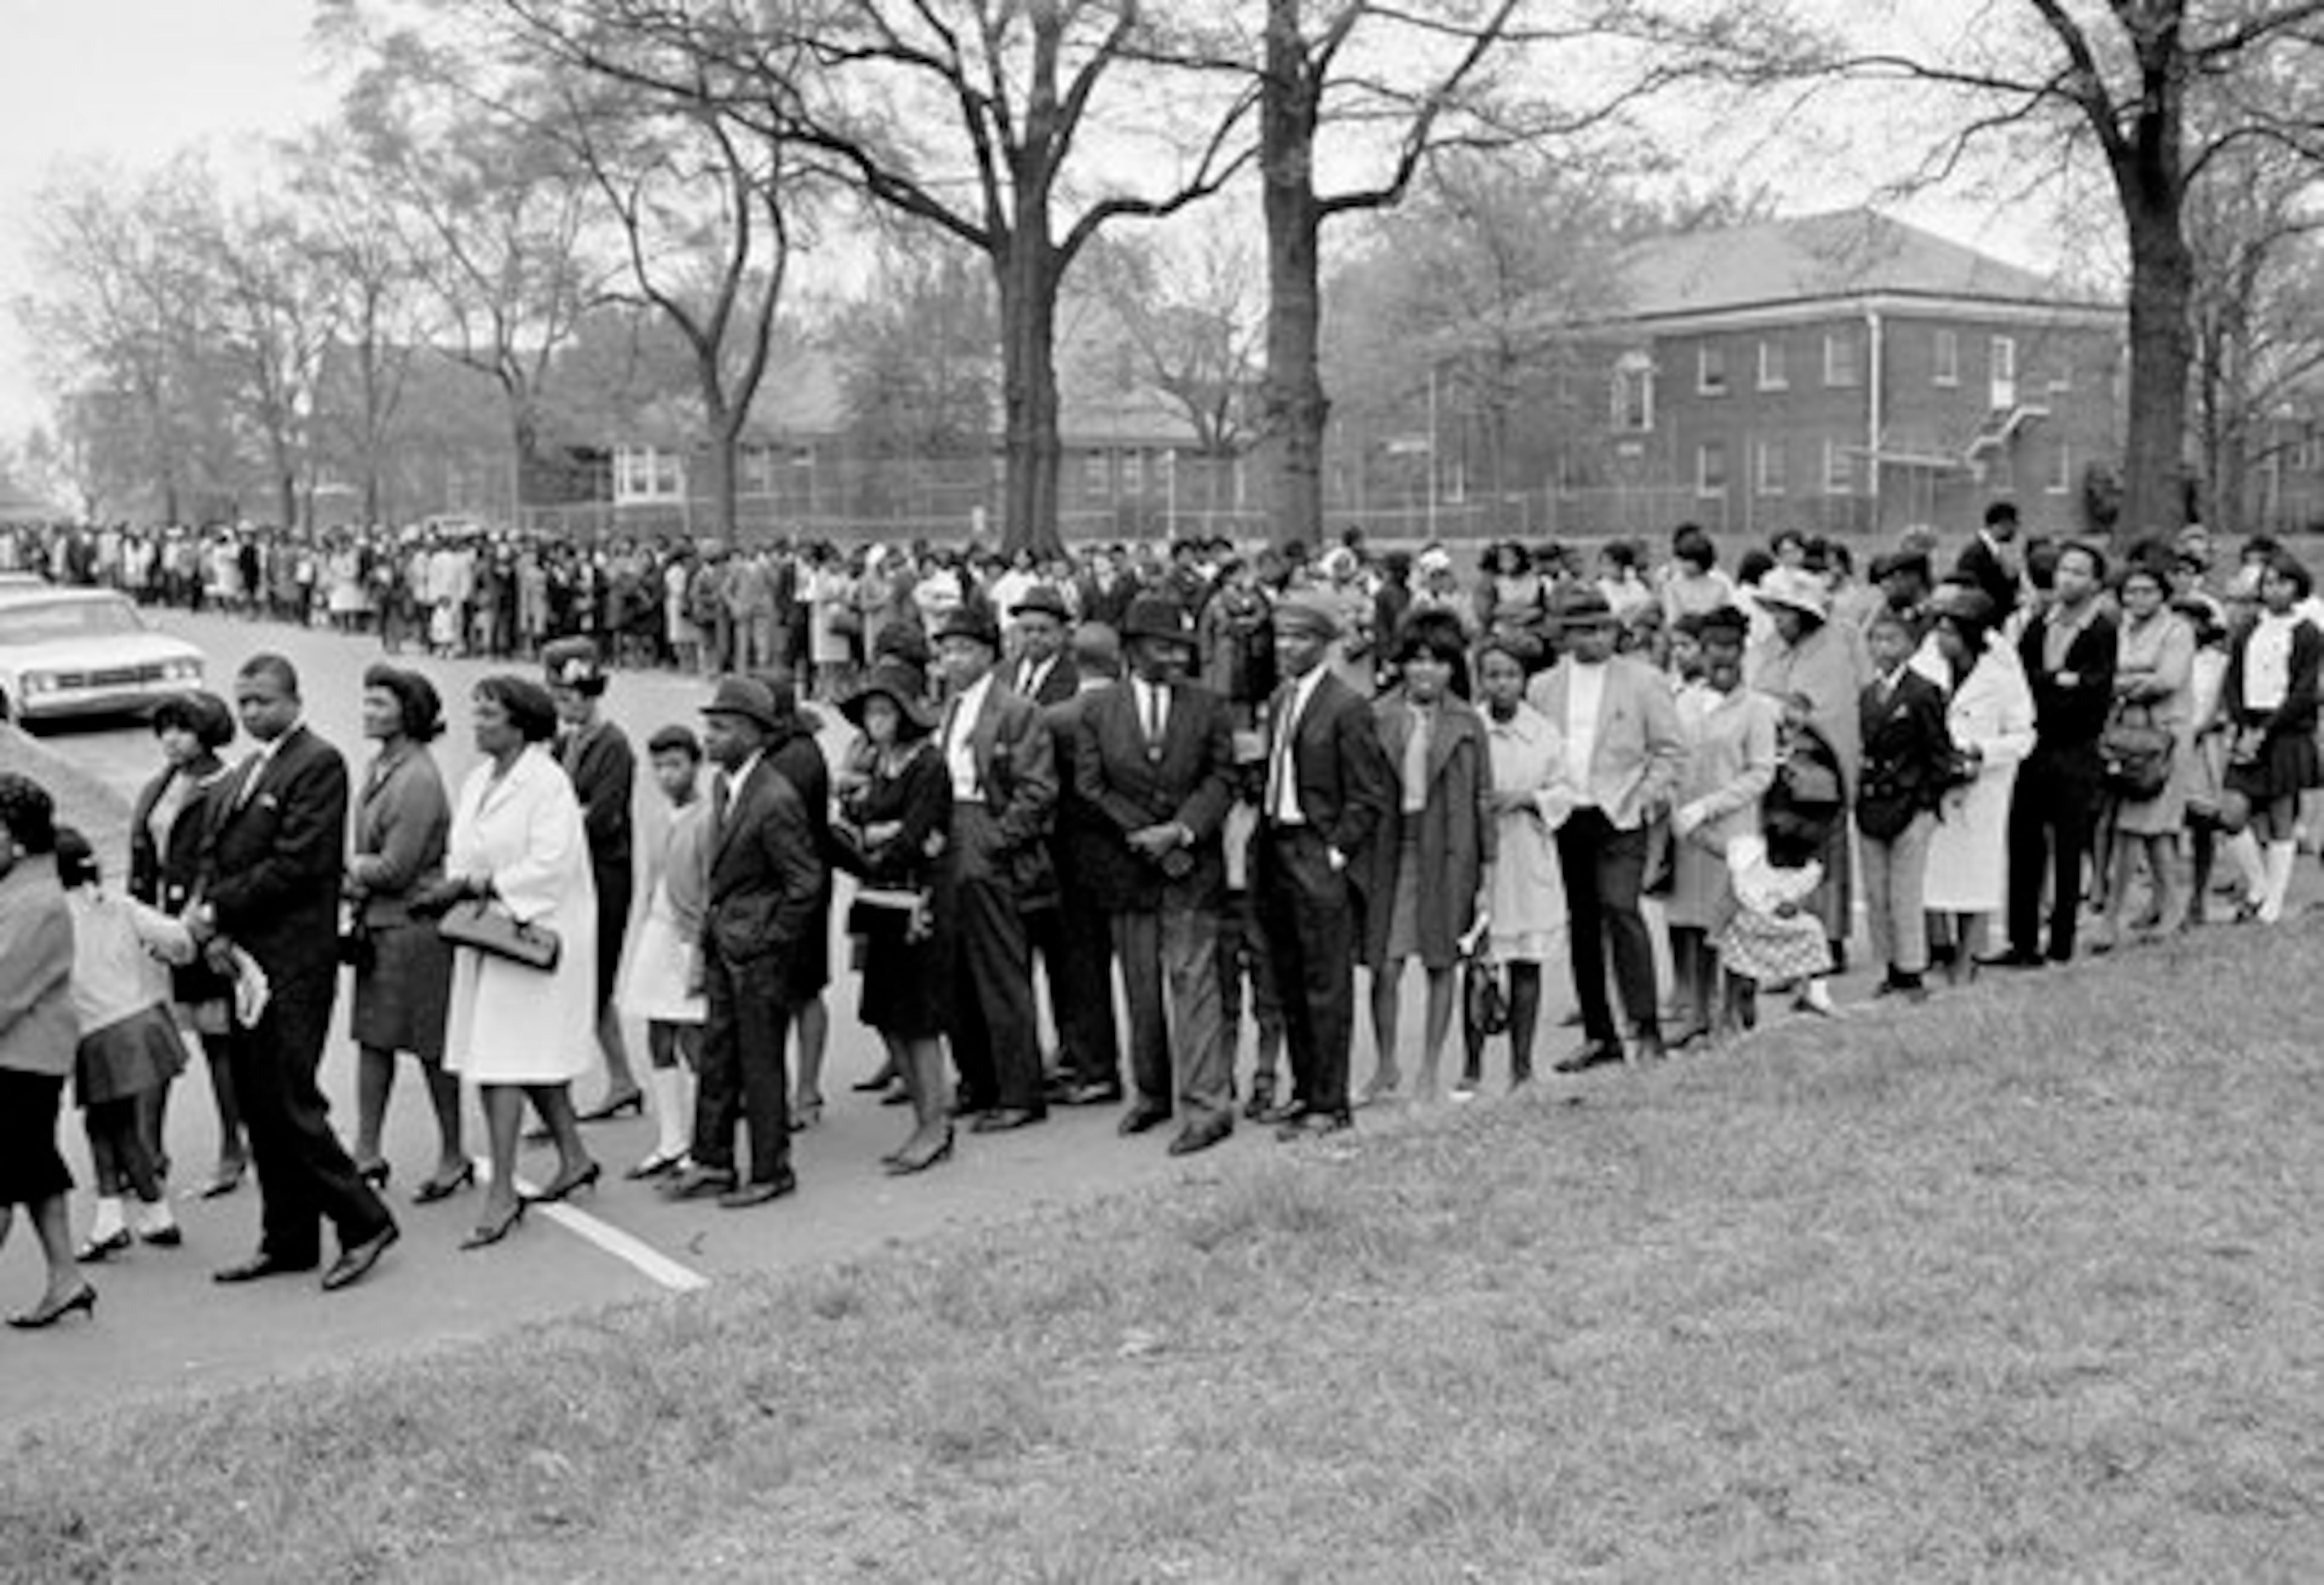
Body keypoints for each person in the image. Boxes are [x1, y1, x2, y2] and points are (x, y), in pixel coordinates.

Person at [192, 655, 399, 1293]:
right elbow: (215, 850)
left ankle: (364, 1221)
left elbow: (299, 864)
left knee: (291, 1099)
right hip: (246, 957)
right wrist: (215, 923)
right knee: (259, 1103)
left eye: (263, 700)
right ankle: (287, 1237)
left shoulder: (317, 763)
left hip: (293, 960)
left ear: (294, 699)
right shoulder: (248, 770)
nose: (251, 711)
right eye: (243, 700)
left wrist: (217, 907)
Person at [419, 675, 603, 1250]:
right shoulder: (478, 780)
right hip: (489, 933)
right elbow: (463, 849)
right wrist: (458, 884)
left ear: (521, 723)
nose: (477, 723)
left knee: (501, 1059)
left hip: (536, 934)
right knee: (513, 1053)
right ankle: (574, 1155)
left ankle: (502, 1190)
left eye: (490, 714)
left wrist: (477, 884)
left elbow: (550, 866)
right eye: (474, 712)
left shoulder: (548, 784)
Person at [1077, 595, 1238, 1155]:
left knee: (1194, 984)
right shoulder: (1098, 710)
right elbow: (1091, 786)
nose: (1174, 655)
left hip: (1193, 866)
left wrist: (1181, 831)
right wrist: (1147, 836)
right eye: (1162, 645)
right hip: (1130, 869)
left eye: (1181, 647)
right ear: (1130, 650)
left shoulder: (1210, 705)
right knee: (1141, 987)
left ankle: (1208, 1106)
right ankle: (1152, 1094)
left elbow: (1223, 778)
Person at [662, 677, 828, 1205]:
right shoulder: (725, 787)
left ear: (755, 735)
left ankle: (770, 1167)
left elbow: (806, 883)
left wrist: (770, 938)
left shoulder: (775, 798)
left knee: (759, 1061)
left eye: (722, 728)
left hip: (755, 949)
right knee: (718, 1056)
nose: (709, 738)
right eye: (709, 726)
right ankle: (711, 1160)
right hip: (725, 940)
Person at [1526, 587, 1686, 1071]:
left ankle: (1647, 1028)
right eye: (1581, 629)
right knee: (1582, 923)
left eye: (1601, 628)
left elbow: (1671, 750)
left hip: (1619, 812)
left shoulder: (1643, 680)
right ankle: (1601, 1034)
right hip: (1566, 814)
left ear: (1616, 631)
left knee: (1621, 908)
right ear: (1564, 634)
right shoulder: (1544, 686)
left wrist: (1646, 798)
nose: (1593, 638)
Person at [1254, 594, 1393, 1138]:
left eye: (1300, 638)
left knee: (1326, 983)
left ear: (1325, 643)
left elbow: (1368, 794)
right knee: (1287, 978)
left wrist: (1336, 851)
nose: (1287, 647)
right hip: (1276, 848)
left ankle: (1331, 1102)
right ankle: (1306, 1088)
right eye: (1282, 636)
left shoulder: (1346, 705)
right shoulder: (1281, 697)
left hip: (1316, 850)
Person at [930, 604, 1057, 1132]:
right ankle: (976, 1079)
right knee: (955, 974)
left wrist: (996, 842)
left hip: (988, 839)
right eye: (946, 649)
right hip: (949, 841)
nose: (952, 659)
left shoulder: (1015, 709)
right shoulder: (951, 707)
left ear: (989, 653)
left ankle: (1019, 1090)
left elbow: (1038, 789)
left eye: (964, 648)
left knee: (1001, 973)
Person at [1360, 611, 1494, 1105]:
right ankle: (1386, 1064)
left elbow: (1484, 797)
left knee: (1442, 964)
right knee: (1386, 965)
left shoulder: (1466, 722)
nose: (1425, 672)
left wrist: (1487, 873)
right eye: (1416, 660)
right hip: (1393, 851)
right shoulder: (1376, 715)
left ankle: (1429, 1071)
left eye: (1438, 662)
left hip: (1449, 851)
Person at [831, 661, 957, 1173]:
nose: (875, 719)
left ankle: (935, 1122)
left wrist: (876, 836)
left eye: (885, 710)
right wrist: (874, 831)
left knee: (918, 1019)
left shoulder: (928, 764)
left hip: (917, 904)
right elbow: (862, 822)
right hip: (881, 899)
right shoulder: (880, 762)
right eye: (869, 711)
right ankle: (924, 1117)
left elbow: (916, 837)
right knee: (884, 1014)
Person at [344, 665, 464, 1199]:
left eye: (381, 705)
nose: (368, 712)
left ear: (409, 713)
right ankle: (367, 1150)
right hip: (381, 925)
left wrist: (348, 866)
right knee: (374, 1040)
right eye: (366, 702)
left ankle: (454, 1150)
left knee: (430, 1047)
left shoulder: (417, 777)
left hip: (415, 927)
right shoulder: (380, 766)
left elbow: (398, 866)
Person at [128, 691, 244, 1198]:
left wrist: (208, 924)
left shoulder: (227, 784)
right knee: (153, 1045)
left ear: (210, 730)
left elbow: (227, 862)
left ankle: (232, 1148)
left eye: (184, 727)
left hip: (201, 931)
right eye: (165, 727)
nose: (171, 738)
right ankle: (148, 1153)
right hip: (156, 930)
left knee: (220, 1044)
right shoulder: (160, 785)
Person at [1996, 542, 2118, 965]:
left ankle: (2062, 940)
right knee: (2024, 844)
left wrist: (2053, 686)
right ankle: (2022, 940)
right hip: (2034, 747)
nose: (2068, 578)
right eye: (2064, 569)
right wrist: (2056, 681)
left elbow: (2090, 694)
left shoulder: (2100, 630)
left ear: (2096, 583)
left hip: (2075, 749)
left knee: (2068, 846)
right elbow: (2020, 682)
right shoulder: (2037, 624)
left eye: (2080, 572)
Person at [0, 775, 93, 1328]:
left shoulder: (34, 903)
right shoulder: (20, 891)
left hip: (19, 1057)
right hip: (29, 1055)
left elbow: (4, 995)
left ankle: (66, 1278)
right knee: (34, 1170)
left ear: (15, 836)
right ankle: (67, 1277)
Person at [1664, 606, 1781, 1045]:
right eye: (1714, 648)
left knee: (1730, 925)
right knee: (1693, 922)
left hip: (1732, 828)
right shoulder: (1686, 702)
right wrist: (1677, 805)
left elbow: (1760, 773)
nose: (1722, 657)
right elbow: (1673, 755)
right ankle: (1699, 1011)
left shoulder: (1755, 709)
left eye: (1731, 648)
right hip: (1689, 831)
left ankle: (1730, 1012)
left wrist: (1709, 806)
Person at [1456, 636, 1566, 1095]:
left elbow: (1564, 790)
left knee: (1526, 960)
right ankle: (1473, 1065)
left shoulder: (1543, 731)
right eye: (1492, 675)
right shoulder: (1468, 727)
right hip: (1480, 858)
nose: (1502, 684)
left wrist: (1526, 798)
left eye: (1511, 675)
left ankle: (1521, 1066)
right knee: (1479, 962)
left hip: (1528, 851)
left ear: (1525, 680)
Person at [544, 637, 645, 1122]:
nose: (565, 706)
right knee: (584, 980)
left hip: (606, 871)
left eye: (570, 697)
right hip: (578, 868)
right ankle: (621, 1078)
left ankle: (619, 1078)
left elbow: (601, 817)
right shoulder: (568, 741)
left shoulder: (613, 744)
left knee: (595, 977)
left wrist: (561, 821)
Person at [1748, 566, 1869, 966]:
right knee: (1782, 859)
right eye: (1774, 611)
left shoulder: (1833, 647)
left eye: (1785, 611)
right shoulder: (1772, 646)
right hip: (1777, 770)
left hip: (1821, 770)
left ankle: (1827, 942)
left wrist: (1777, 709)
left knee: (1823, 858)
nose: (1778, 619)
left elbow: (1826, 710)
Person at [1922, 588, 2036, 981]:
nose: (1940, 638)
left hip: (1982, 789)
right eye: (1938, 629)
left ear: (1970, 635)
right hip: (1936, 783)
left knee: (1975, 877)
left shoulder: (2002, 675)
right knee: (1934, 874)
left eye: (1950, 631)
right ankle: (1937, 950)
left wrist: (1980, 753)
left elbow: (2023, 736)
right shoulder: (1928, 665)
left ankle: (1967, 960)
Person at [615, 726, 712, 1180]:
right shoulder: (656, 818)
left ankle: (701, 1140)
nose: (666, 774)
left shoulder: (709, 817)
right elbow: (649, 880)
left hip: (688, 936)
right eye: (658, 766)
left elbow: (711, 889)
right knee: (658, 1034)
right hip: (657, 930)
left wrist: (701, 950)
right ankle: (670, 1138)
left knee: (694, 1037)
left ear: (696, 764)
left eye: (675, 764)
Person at [2094, 562, 2197, 946]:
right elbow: (2104, 674)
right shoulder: (2121, 628)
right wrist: (2135, 679)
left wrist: (2124, 682)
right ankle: (2173, 910)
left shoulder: (2177, 630)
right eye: (2131, 591)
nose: (2137, 599)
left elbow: (2168, 680)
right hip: (2125, 735)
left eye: (2147, 591)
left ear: (2163, 594)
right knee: (2153, 832)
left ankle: (2111, 916)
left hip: (2164, 738)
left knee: (2135, 826)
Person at [2217, 553, 2324, 924]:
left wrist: (2267, 730)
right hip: (2250, 723)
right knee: (2231, 812)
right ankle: (2258, 883)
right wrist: (2243, 724)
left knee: (2282, 814)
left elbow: (2304, 690)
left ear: (2298, 587)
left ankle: (2274, 901)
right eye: (2268, 583)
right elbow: (2233, 680)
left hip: (2286, 728)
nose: (2274, 590)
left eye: (2283, 582)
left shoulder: (2307, 632)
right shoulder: (2249, 628)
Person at [1854, 608, 1954, 1000]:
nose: (1883, 647)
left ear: (1911, 646)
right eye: (1876, 639)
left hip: (1911, 802)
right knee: (1877, 892)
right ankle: (1890, 965)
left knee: (1905, 892)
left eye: (1891, 639)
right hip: (1874, 801)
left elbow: (1938, 754)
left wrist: (1926, 802)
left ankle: (1912, 969)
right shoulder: (1866, 694)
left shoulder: (1922, 692)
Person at [1955, 499, 2021, 619]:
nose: (2015, 531)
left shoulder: (1992, 552)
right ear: (2004, 523)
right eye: (2014, 525)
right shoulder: (1975, 554)